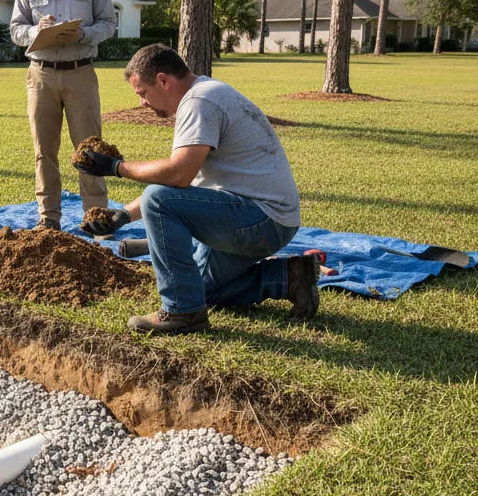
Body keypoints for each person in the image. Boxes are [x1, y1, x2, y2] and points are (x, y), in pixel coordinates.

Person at [74, 44, 320, 334]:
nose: (142, 103)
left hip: (260, 220)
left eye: (142, 93)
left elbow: (177, 176)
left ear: (163, 80)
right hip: (267, 219)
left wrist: (117, 167)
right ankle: (290, 277)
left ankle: (182, 312)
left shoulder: (199, 101)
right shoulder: (205, 93)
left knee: (158, 201)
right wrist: (122, 216)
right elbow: (186, 180)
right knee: (197, 289)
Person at [10, 0, 117, 231]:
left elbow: (108, 24)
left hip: (80, 72)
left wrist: (82, 34)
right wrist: (36, 30)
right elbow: (16, 29)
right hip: (40, 76)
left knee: (90, 148)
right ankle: (48, 218)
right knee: (44, 151)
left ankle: (95, 217)